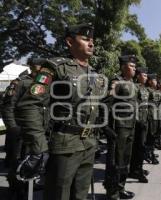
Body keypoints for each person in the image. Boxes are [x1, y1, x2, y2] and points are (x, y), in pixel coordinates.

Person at [16, 23, 106, 200]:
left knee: (80, 195)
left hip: (88, 145)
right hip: (64, 146)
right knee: (59, 195)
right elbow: (29, 105)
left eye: (92, 40)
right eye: (86, 39)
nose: (91, 43)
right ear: (70, 42)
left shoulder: (95, 74)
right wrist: (39, 146)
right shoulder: (55, 67)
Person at [1, 59, 42, 200]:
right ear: (33, 68)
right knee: (17, 160)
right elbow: (7, 107)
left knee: (32, 159)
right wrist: (12, 127)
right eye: (39, 68)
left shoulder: (41, 84)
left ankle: (28, 184)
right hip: (19, 129)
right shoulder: (19, 82)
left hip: (35, 129)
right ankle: (16, 188)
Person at [104, 55, 137, 200]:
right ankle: (112, 193)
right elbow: (106, 103)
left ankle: (121, 187)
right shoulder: (116, 82)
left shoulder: (131, 83)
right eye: (131, 66)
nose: (134, 69)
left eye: (135, 67)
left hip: (130, 126)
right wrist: (105, 126)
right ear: (123, 67)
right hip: (119, 127)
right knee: (115, 161)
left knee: (125, 159)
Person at [128, 67, 149, 183]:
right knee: (138, 148)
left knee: (141, 147)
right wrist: (138, 121)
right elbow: (134, 106)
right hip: (138, 123)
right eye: (144, 75)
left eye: (146, 76)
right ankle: (136, 170)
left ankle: (136, 168)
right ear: (138, 76)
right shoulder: (135, 88)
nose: (145, 78)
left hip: (143, 121)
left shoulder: (143, 88)